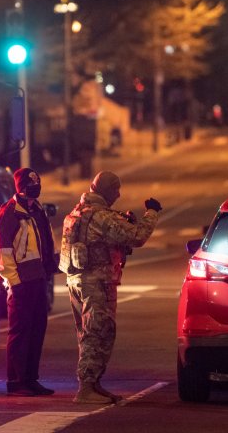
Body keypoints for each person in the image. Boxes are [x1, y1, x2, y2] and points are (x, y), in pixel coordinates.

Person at [59, 171, 161, 404]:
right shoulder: (101, 217)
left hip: (76, 281)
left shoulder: (75, 213)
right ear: (105, 190)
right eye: (115, 189)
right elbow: (137, 237)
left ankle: (93, 384)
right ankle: (86, 389)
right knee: (98, 333)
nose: (118, 194)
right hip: (97, 284)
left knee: (87, 334)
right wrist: (152, 213)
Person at [0, 168, 57, 397]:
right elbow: (3, 252)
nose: (34, 191)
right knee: (20, 332)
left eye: (36, 186)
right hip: (21, 281)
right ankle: (17, 382)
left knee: (37, 330)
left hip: (38, 278)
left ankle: (31, 379)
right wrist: (14, 282)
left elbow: (44, 242)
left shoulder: (36, 209)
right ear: (20, 189)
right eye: (30, 187)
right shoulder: (9, 213)